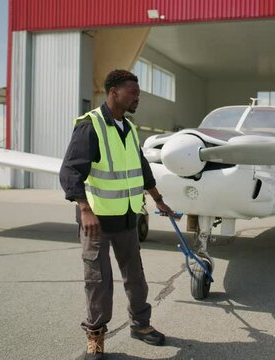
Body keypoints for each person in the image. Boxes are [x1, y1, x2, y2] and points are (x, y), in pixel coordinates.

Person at [59, 69, 174, 360]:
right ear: (114, 92)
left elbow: (141, 169)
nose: (137, 98)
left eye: (138, 93)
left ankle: (140, 325)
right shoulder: (91, 126)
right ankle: (95, 337)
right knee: (98, 280)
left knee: (135, 276)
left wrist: (158, 199)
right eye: (133, 92)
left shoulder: (129, 128)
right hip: (96, 220)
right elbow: (71, 171)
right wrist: (84, 209)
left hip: (126, 218)